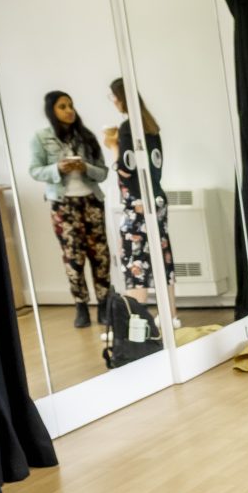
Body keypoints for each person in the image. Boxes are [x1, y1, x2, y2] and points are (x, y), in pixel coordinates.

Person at [28, 91, 111, 328]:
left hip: (91, 201)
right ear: (51, 111)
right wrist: (58, 168)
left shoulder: (87, 137)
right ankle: (81, 306)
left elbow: (103, 172)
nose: (69, 110)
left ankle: (104, 305)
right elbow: (34, 170)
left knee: (100, 256)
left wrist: (85, 167)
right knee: (73, 257)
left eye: (71, 105)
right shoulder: (41, 138)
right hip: (63, 204)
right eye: (62, 106)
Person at [107, 78, 175, 321]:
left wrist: (113, 148)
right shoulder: (151, 126)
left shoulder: (128, 128)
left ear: (121, 99)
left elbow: (127, 168)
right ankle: (170, 316)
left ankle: (138, 323)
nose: (113, 103)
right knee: (161, 253)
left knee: (134, 257)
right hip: (157, 199)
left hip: (137, 202)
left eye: (113, 98)